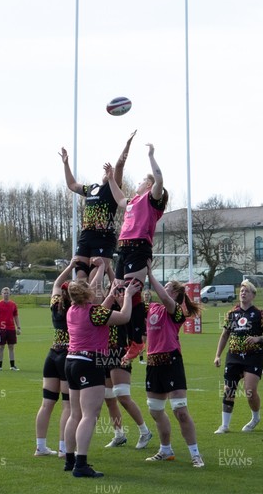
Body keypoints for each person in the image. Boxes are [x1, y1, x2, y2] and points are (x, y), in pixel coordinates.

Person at [63, 277, 139, 478]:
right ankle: (81, 464)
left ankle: (70, 460)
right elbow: (124, 317)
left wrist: (111, 296)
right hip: (90, 362)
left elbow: (98, 314)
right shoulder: (94, 312)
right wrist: (128, 296)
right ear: (88, 293)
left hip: (71, 362)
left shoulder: (73, 310)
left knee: (74, 414)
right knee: (90, 415)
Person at [103, 143, 168, 363]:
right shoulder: (132, 202)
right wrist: (111, 178)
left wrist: (151, 155)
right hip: (124, 248)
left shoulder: (152, 198)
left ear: (148, 185)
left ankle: (137, 340)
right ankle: (133, 339)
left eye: (142, 179)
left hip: (139, 247)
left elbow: (159, 180)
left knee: (132, 290)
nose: (138, 182)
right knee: (122, 293)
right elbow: (120, 199)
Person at [142, 264, 204, 467]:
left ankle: (195, 454)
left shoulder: (176, 310)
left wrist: (150, 274)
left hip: (171, 362)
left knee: (180, 411)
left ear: (175, 293)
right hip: (153, 363)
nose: (163, 288)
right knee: (155, 410)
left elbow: (166, 299)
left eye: (167, 286)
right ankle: (166, 450)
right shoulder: (151, 308)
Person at [60, 131, 136, 282]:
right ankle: (79, 306)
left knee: (94, 281)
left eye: (111, 171)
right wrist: (66, 164)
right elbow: (72, 185)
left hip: (103, 237)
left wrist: (127, 144)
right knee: (80, 280)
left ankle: (96, 305)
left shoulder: (113, 188)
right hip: (86, 236)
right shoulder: (92, 188)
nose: (109, 171)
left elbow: (120, 165)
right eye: (108, 171)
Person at [213, 279, 263, 434]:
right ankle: (225, 425)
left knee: (249, 390)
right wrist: (218, 355)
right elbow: (225, 335)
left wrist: (258, 339)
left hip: (253, 356)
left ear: (253, 295)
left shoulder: (261, 314)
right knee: (229, 389)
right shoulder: (231, 314)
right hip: (233, 356)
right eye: (241, 290)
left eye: (246, 291)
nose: (243, 293)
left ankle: (255, 418)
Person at [34, 257, 77, 457]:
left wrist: (70, 266)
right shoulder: (76, 310)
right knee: (67, 404)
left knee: (46, 403)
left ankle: (40, 447)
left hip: (52, 355)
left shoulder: (55, 306)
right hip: (68, 356)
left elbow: (57, 284)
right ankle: (63, 448)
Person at [103, 284, 153, 450]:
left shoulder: (132, 307)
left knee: (121, 395)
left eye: (119, 291)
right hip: (105, 353)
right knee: (108, 397)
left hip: (121, 351)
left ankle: (144, 431)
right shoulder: (106, 304)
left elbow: (134, 322)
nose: (116, 293)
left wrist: (126, 300)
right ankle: (119, 435)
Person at [0, 287, 21, 371]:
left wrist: (18, 327)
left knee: (11, 347)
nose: (6, 294)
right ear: (1, 294)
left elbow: (16, 316)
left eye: (7, 293)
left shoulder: (13, 304)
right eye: (4, 293)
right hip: (1, 328)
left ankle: (12, 366)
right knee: (1, 347)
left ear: (10, 294)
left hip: (11, 328)